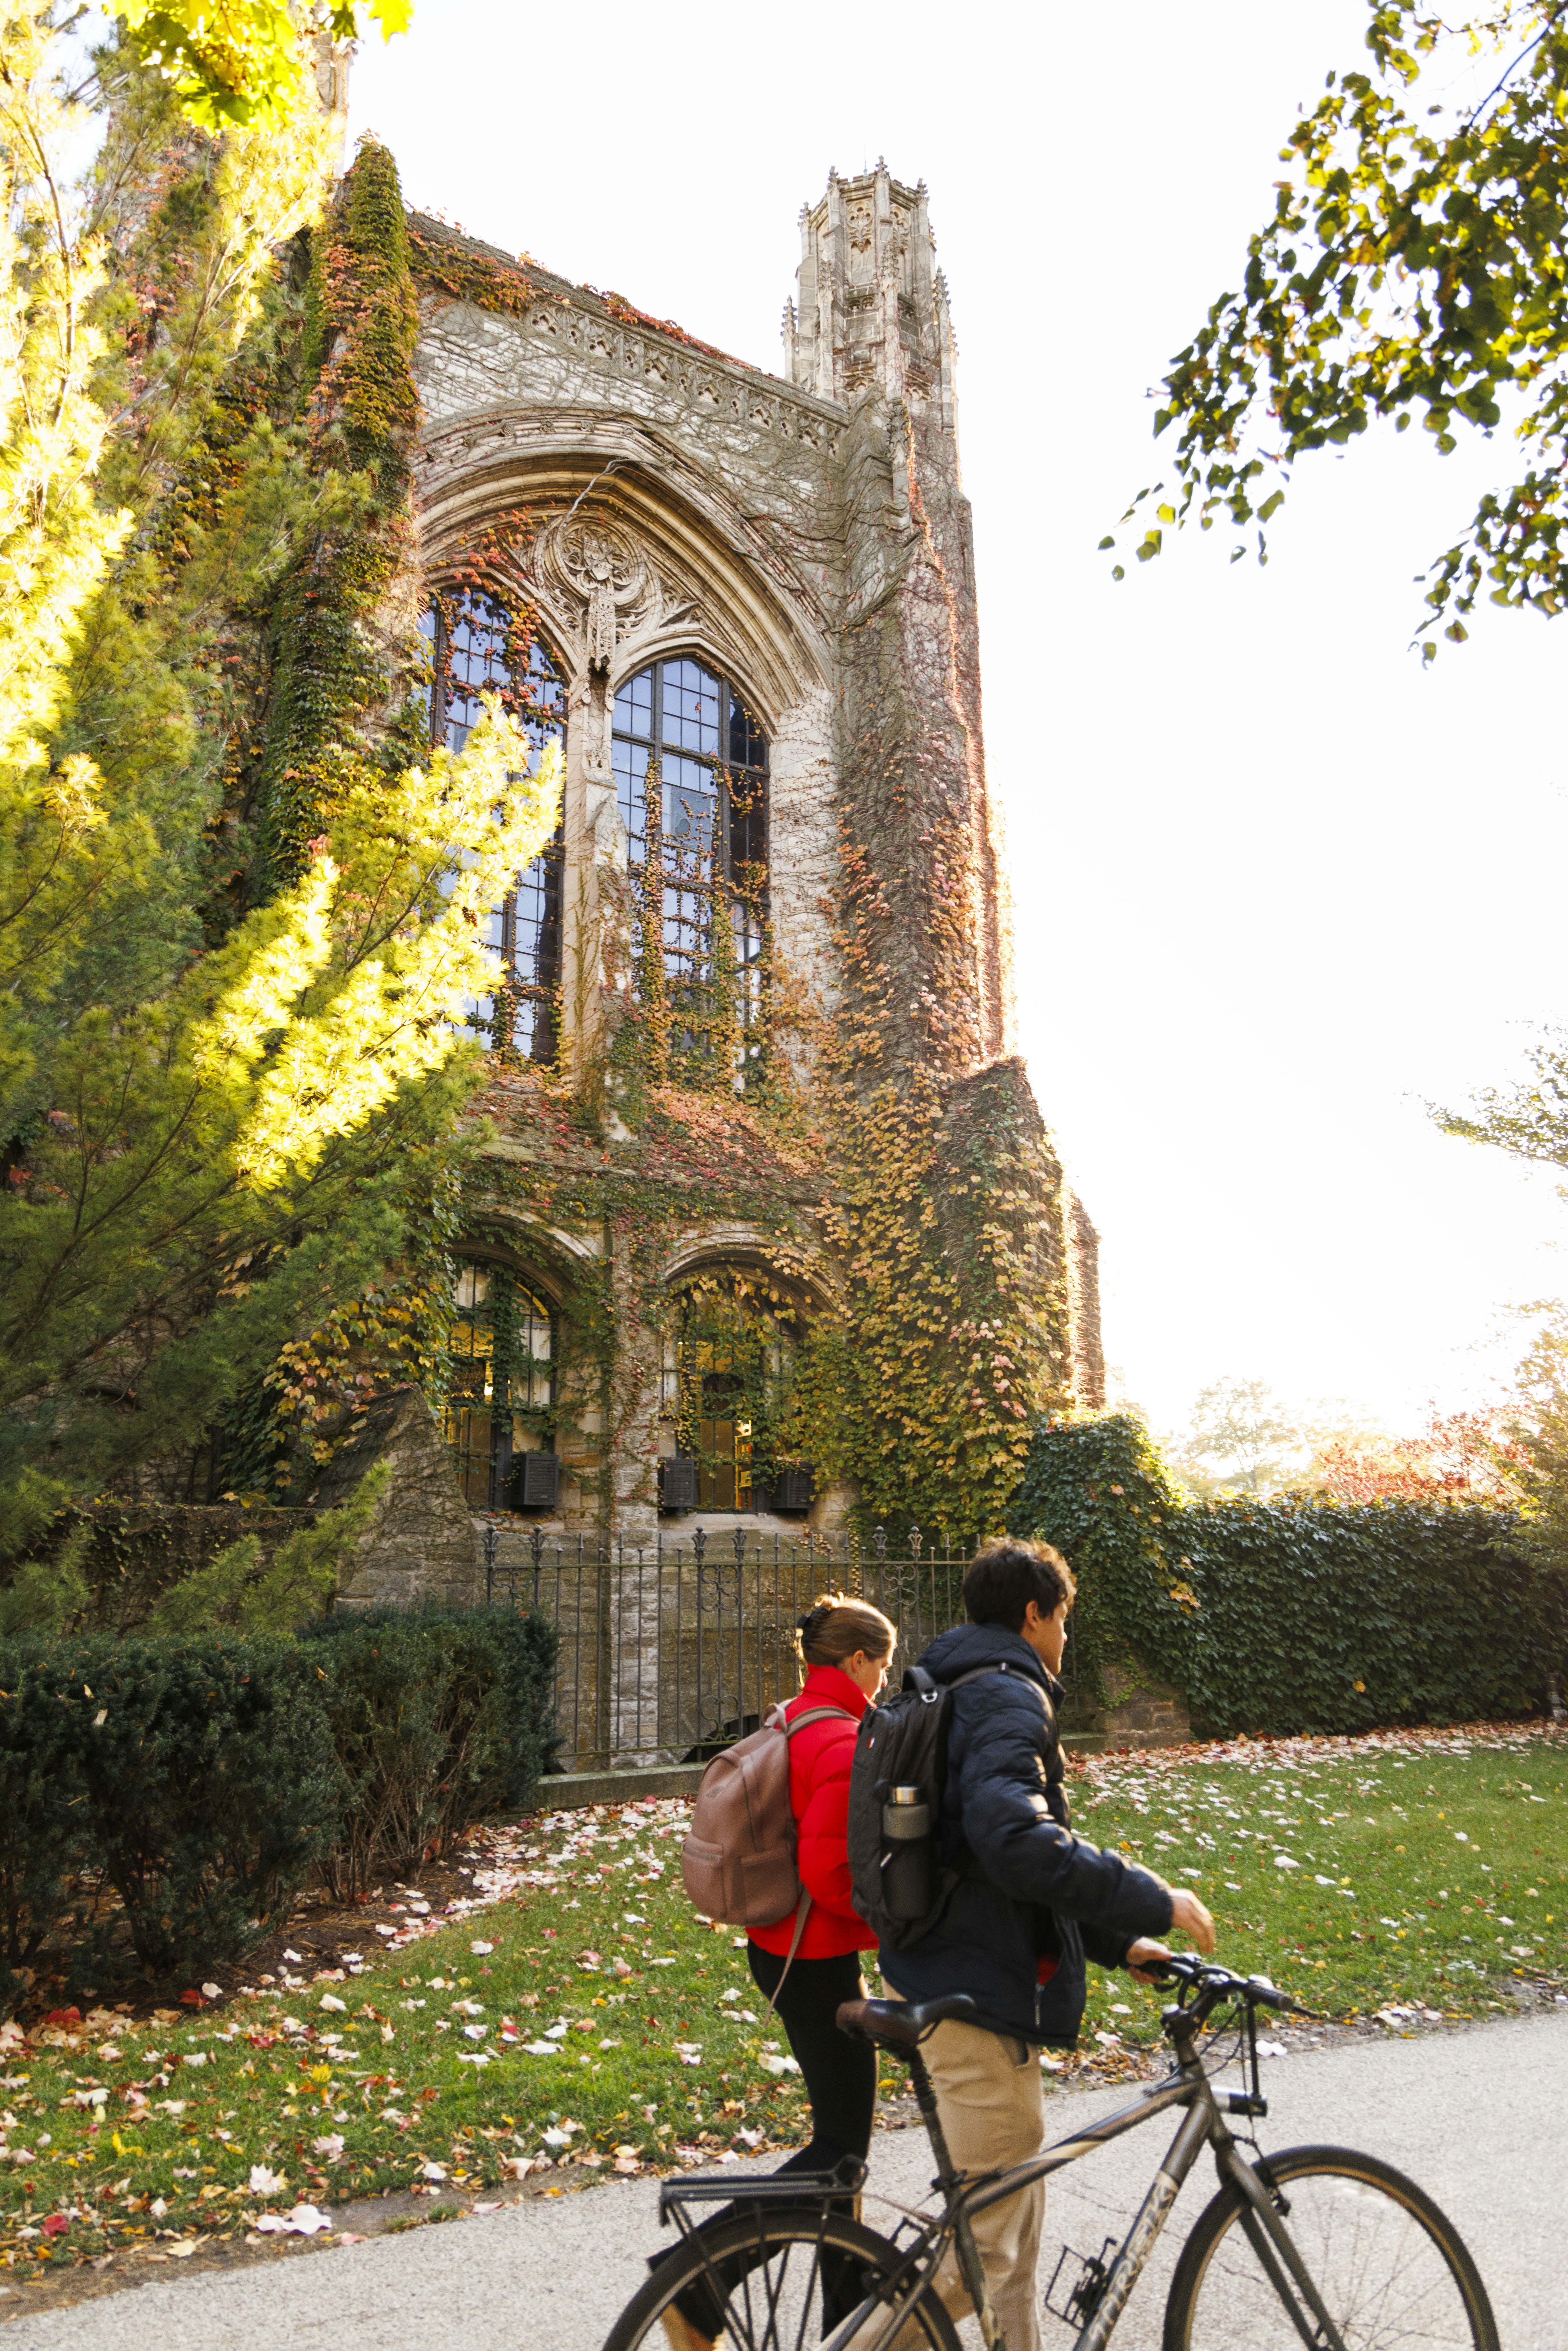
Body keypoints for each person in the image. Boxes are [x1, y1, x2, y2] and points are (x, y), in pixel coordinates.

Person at [873, 1539, 1216, 2351]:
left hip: (952, 1970)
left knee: (1013, 2248)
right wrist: (1153, 1898)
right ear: (1035, 1614)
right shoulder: (1007, 1695)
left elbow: (989, 1865)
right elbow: (1012, 1838)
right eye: (1065, 1621)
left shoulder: (948, 1683)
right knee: (983, 2256)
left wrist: (1117, 1940)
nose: (1067, 1640)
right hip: (977, 1999)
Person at [656, 1593, 898, 2351]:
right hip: (817, 1957)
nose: (886, 1682)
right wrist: (893, 1926)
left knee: (844, 2150)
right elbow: (830, 1875)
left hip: (783, 1948)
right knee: (840, 2155)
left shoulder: (793, 1714)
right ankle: (699, 2278)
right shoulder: (840, 1741)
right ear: (857, 1661)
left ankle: (845, 2318)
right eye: (883, 1667)